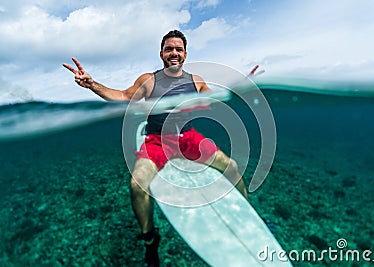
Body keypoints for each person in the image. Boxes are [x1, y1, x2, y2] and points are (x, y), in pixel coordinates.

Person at [63, 30, 250, 267]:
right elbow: (122, 95)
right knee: (137, 183)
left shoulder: (197, 81)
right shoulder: (148, 80)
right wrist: (92, 85)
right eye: (169, 48)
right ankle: (150, 238)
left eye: (178, 49)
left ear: (185, 54)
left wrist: (238, 89)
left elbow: (216, 100)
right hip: (157, 141)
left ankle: (243, 214)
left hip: (188, 139)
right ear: (161, 53)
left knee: (231, 167)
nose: (174, 53)